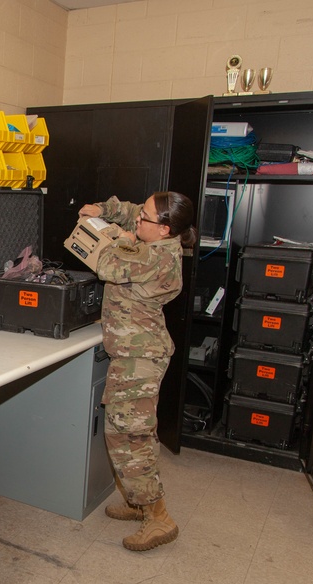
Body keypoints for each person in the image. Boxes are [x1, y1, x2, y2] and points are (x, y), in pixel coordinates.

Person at [78, 192, 197, 551]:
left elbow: (106, 264)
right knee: (124, 432)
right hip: (134, 354)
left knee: (130, 438)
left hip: (139, 359)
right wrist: (103, 209)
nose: (137, 220)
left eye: (145, 220)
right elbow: (131, 212)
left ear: (163, 229)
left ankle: (157, 516)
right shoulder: (158, 237)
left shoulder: (156, 257)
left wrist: (117, 236)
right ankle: (138, 500)